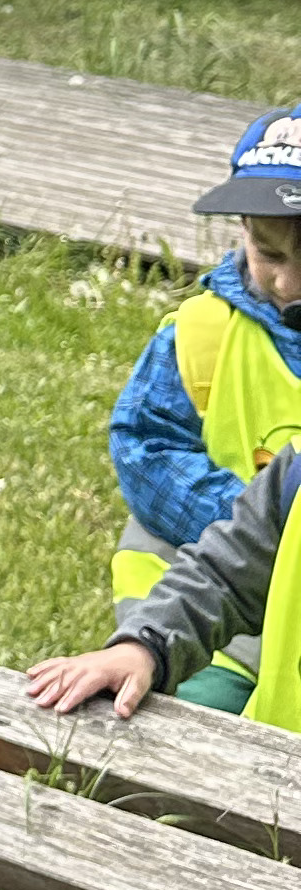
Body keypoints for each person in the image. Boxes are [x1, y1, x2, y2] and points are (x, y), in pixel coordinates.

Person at [98, 108, 301, 710]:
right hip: (206, 615)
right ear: (242, 229)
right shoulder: (203, 330)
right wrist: (260, 521)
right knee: (184, 728)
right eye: (269, 254)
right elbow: (143, 446)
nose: (288, 284)